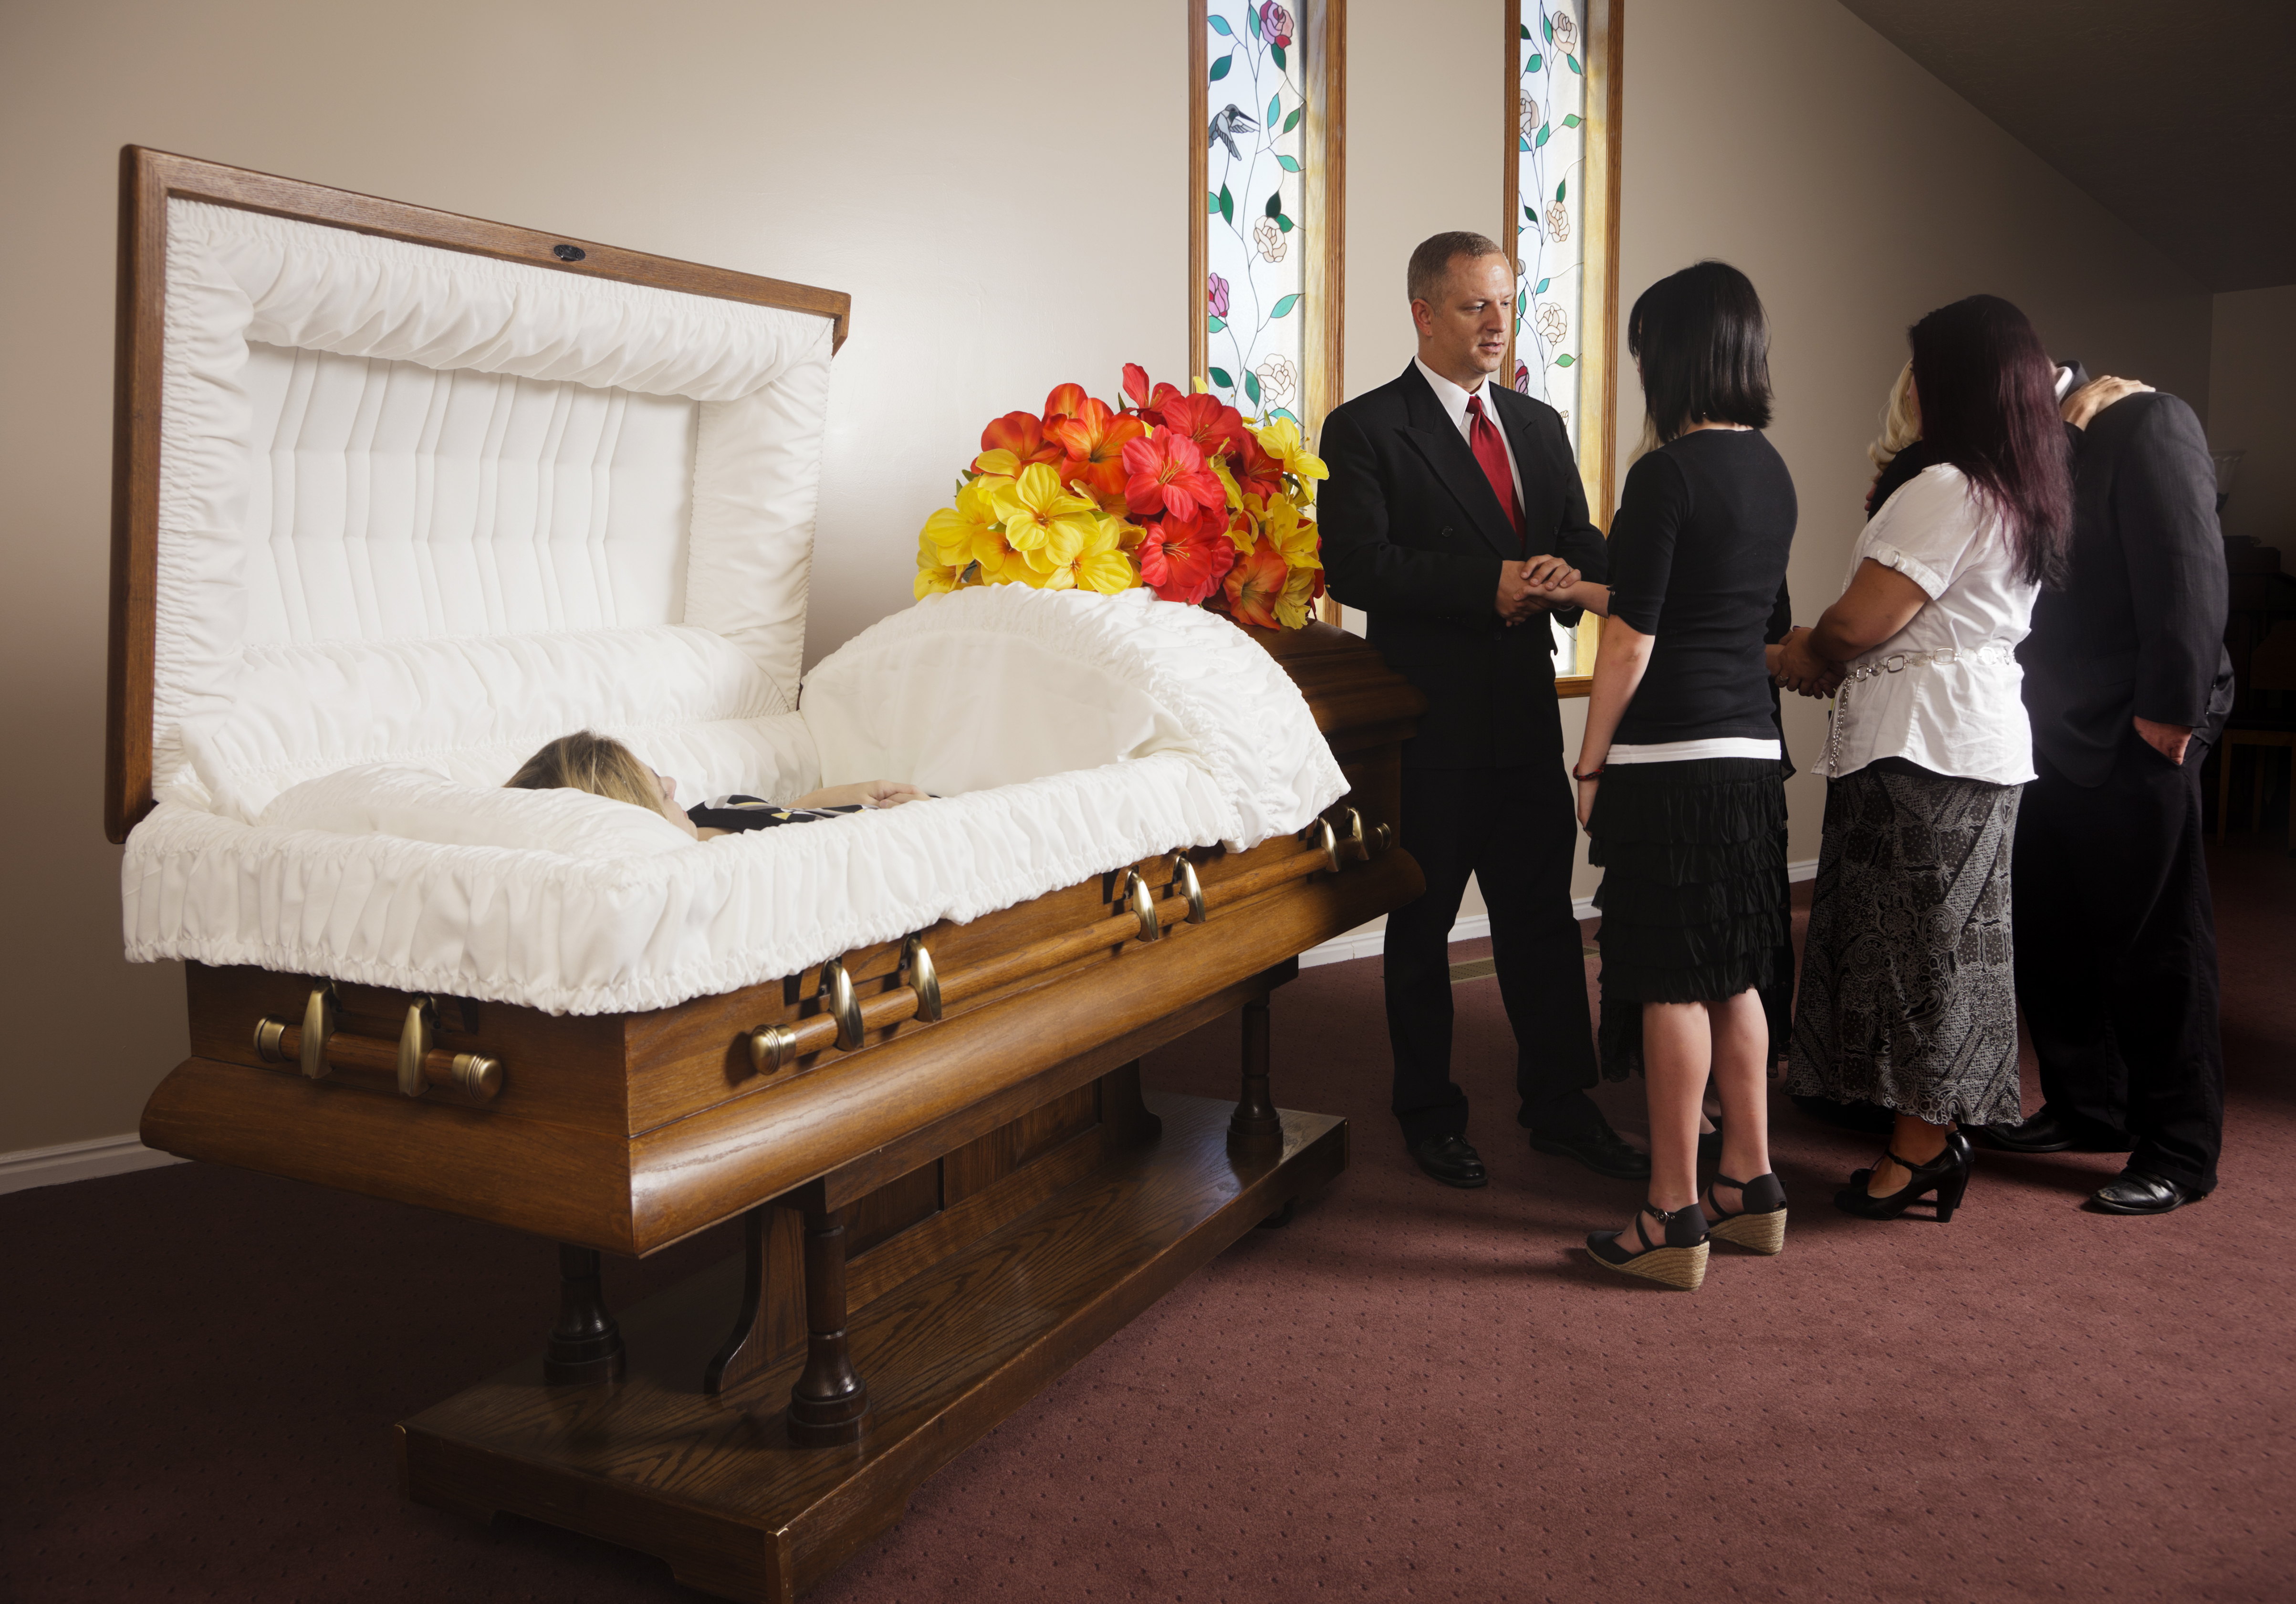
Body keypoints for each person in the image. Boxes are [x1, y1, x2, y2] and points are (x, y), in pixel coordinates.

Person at [1318, 231, 1644, 1189]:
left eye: (1506, 302)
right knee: (1421, 927)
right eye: (1475, 306)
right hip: (1427, 721)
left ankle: (1559, 1104)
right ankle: (1427, 1110)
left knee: (1541, 919)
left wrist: (1565, 573)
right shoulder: (1367, 427)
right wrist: (1488, 585)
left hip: (1522, 714)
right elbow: (1357, 566)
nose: (1498, 321)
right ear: (1424, 313)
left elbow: (1586, 545)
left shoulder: (1539, 427)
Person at [1776, 294, 2074, 1224]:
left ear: (1949, 381)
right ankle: (1925, 1125)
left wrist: (1806, 653)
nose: (1903, 386)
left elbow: (1863, 620)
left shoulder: (1950, 484)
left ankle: (1920, 1147)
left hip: (1927, 745)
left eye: (1915, 369)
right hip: (1967, 737)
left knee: (1916, 955)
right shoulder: (2016, 482)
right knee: (1948, 947)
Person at [1562, 259, 1797, 1290]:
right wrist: (1590, 582)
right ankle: (1749, 1184)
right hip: (1751, 760)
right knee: (1736, 968)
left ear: (1676, 356)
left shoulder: (1665, 473)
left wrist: (1591, 756)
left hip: (1669, 763)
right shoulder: (1769, 470)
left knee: (1664, 979)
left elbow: (1632, 645)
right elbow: (1757, 617)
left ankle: (1671, 1210)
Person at [1987, 359, 2234, 1215]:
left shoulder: (2144, 420)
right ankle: (2087, 1107)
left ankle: (2180, 1148)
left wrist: (2169, 712)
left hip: (2139, 730)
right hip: (2041, 731)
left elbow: (2188, 567)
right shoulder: (2030, 444)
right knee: (2051, 933)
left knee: (2153, 946)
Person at [506, 732, 923, 839]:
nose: (674, 782)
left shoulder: (708, 810)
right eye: (662, 794)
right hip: (907, 828)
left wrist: (822, 799)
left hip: (883, 806)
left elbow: (773, 818)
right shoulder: (712, 871)